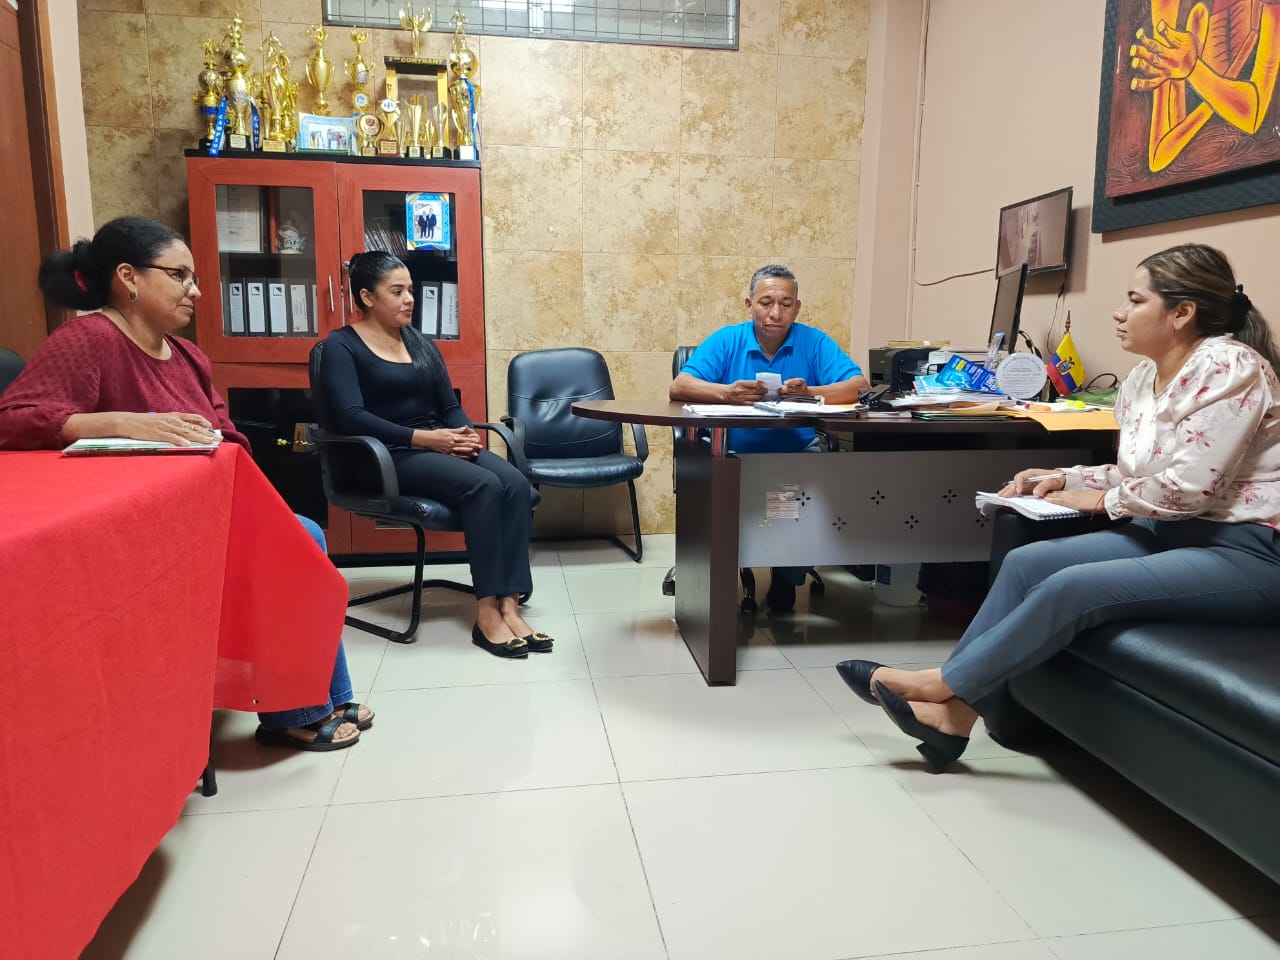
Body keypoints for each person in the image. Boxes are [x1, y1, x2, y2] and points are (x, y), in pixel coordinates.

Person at [835, 243, 1280, 771]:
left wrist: (1101, 500)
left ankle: (940, 686)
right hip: (1170, 532)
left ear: (1182, 312)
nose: (1119, 313)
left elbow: (1190, 488)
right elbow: (1140, 473)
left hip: (1248, 550)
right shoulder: (1143, 378)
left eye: (1136, 300)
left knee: (1071, 587)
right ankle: (952, 717)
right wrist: (1063, 477)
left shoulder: (1229, 366)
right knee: (1028, 563)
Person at [0, 215, 369, 753]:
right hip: (141, 528)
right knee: (301, 538)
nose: (194, 291)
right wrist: (120, 422)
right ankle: (298, 711)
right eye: (179, 276)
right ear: (128, 277)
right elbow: (15, 419)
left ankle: (323, 697)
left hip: (203, 509)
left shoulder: (188, 355)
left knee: (299, 533)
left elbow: (226, 431)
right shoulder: (90, 338)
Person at [315, 251, 545, 658]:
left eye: (411, 290)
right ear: (367, 297)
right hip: (383, 457)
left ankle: (510, 602)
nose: (409, 299)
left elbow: (448, 404)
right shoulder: (341, 346)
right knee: (483, 486)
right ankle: (487, 614)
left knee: (513, 482)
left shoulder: (419, 343)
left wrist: (463, 433)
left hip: (434, 443)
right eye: (397, 291)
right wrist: (425, 439)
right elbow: (351, 416)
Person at [669, 263, 871, 612]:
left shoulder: (813, 341)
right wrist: (726, 393)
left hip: (793, 457)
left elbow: (859, 386)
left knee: (790, 502)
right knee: (732, 508)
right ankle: (717, 578)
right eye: (766, 302)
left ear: (797, 307)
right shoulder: (727, 340)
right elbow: (680, 386)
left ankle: (786, 576)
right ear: (749, 304)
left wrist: (811, 393)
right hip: (730, 457)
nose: (776, 313)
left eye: (786, 304)